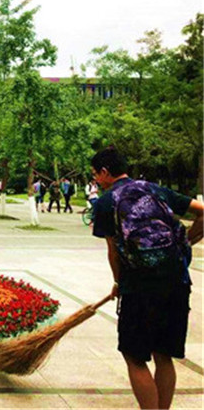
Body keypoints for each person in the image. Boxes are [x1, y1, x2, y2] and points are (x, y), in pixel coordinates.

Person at [91, 146, 203, 410]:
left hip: (139, 288)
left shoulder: (106, 203)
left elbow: (113, 252)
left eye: (95, 174)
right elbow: (202, 210)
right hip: (177, 283)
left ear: (105, 172)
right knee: (164, 356)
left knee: (134, 357)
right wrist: (186, 242)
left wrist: (118, 282)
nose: (95, 179)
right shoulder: (155, 189)